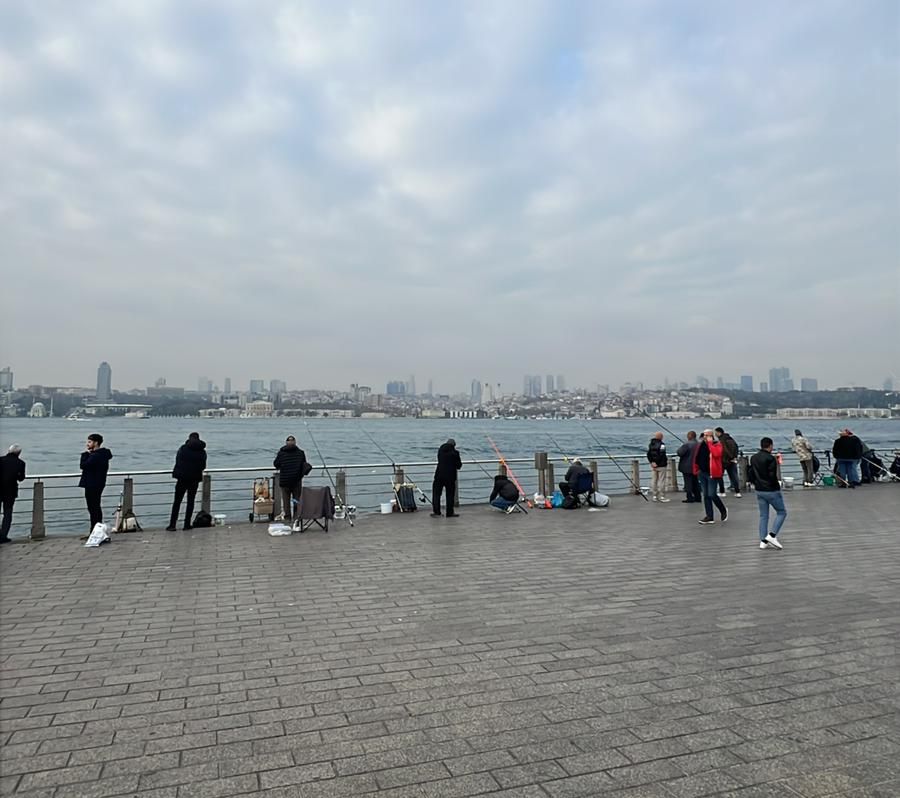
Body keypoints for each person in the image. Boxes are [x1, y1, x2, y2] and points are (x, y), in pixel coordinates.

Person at [749, 437, 786, 550]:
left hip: (759, 490)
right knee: (782, 512)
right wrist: (778, 486)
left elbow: (751, 473)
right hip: (771, 490)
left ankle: (763, 541)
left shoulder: (753, 458)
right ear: (770, 446)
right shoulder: (771, 459)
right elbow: (772, 476)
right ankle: (772, 535)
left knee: (763, 515)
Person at [167, 433, 207, 531]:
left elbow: (178, 461)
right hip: (194, 479)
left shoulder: (183, 449)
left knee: (177, 502)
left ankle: (172, 525)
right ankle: (187, 524)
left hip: (182, 478)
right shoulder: (202, 451)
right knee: (191, 501)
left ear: (189, 439)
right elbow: (203, 466)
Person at [80, 434, 113, 533]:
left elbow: (84, 465)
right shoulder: (103, 454)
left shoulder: (96, 456)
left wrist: (85, 454)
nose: (87, 444)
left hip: (92, 484)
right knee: (96, 507)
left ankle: (95, 531)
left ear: (96, 443)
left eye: (90, 442)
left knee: (93, 508)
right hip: (98, 483)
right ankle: (97, 530)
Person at [273, 435, 308, 525]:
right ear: (295, 443)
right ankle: (296, 517)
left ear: (286, 443)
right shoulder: (300, 453)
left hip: (285, 482)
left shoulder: (281, 452)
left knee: (286, 501)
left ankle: (288, 518)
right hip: (296, 481)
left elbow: (276, 464)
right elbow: (303, 464)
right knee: (296, 500)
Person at [695, 429, 727, 525]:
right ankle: (709, 516)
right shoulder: (701, 445)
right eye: (704, 435)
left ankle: (723, 509)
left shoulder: (717, 444)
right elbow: (697, 457)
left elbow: (716, 454)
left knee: (712, 494)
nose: (705, 437)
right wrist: (696, 469)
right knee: (705, 495)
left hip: (712, 473)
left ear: (712, 436)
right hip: (702, 472)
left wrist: (710, 444)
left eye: (707, 435)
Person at [1, 445, 26, 544]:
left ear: (8, 450)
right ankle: (3, 536)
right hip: (10, 491)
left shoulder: (1, 460)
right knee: (7, 513)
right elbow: (21, 478)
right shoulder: (20, 463)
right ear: (19, 453)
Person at [431, 438, 462, 518]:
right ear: (454, 446)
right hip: (450, 477)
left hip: (439, 475)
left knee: (436, 494)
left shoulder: (440, 451)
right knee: (450, 495)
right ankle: (449, 513)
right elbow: (459, 466)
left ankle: (436, 512)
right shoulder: (455, 453)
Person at [715, 427, 741, 497]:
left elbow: (723, 450)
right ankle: (737, 492)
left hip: (723, 461)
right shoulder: (730, 439)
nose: (715, 434)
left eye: (716, 433)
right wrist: (734, 457)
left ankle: (722, 491)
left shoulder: (722, 440)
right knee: (734, 477)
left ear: (719, 432)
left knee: (720, 476)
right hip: (732, 460)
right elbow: (736, 447)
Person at [676, 431, 700, 503]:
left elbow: (679, 453)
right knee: (696, 482)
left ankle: (689, 497)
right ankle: (698, 497)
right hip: (696, 466)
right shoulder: (699, 444)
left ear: (689, 436)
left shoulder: (687, 444)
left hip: (687, 466)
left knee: (688, 483)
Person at [646, 432, 670, 502]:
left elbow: (648, 454)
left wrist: (652, 462)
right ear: (661, 437)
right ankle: (662, 496)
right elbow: (662, 455)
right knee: (661, 481)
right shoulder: (662, 445)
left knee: (654, 480)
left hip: (654, 466)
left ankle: (654, 496)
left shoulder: (651, 444)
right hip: (661, 465)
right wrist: (657, 463)